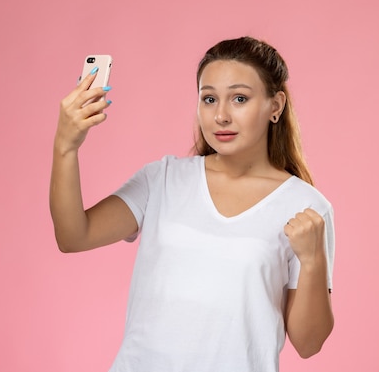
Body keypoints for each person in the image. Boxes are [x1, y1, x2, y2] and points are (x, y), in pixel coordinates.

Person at [49, 36, 335, 371]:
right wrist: (65, 147)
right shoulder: (163, 179)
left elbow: (309, 343)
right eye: (209, 99)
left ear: (276, 106)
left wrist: (313, 261)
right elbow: (73, 236)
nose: (221, 116)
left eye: (239, 98)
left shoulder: (306, 207)